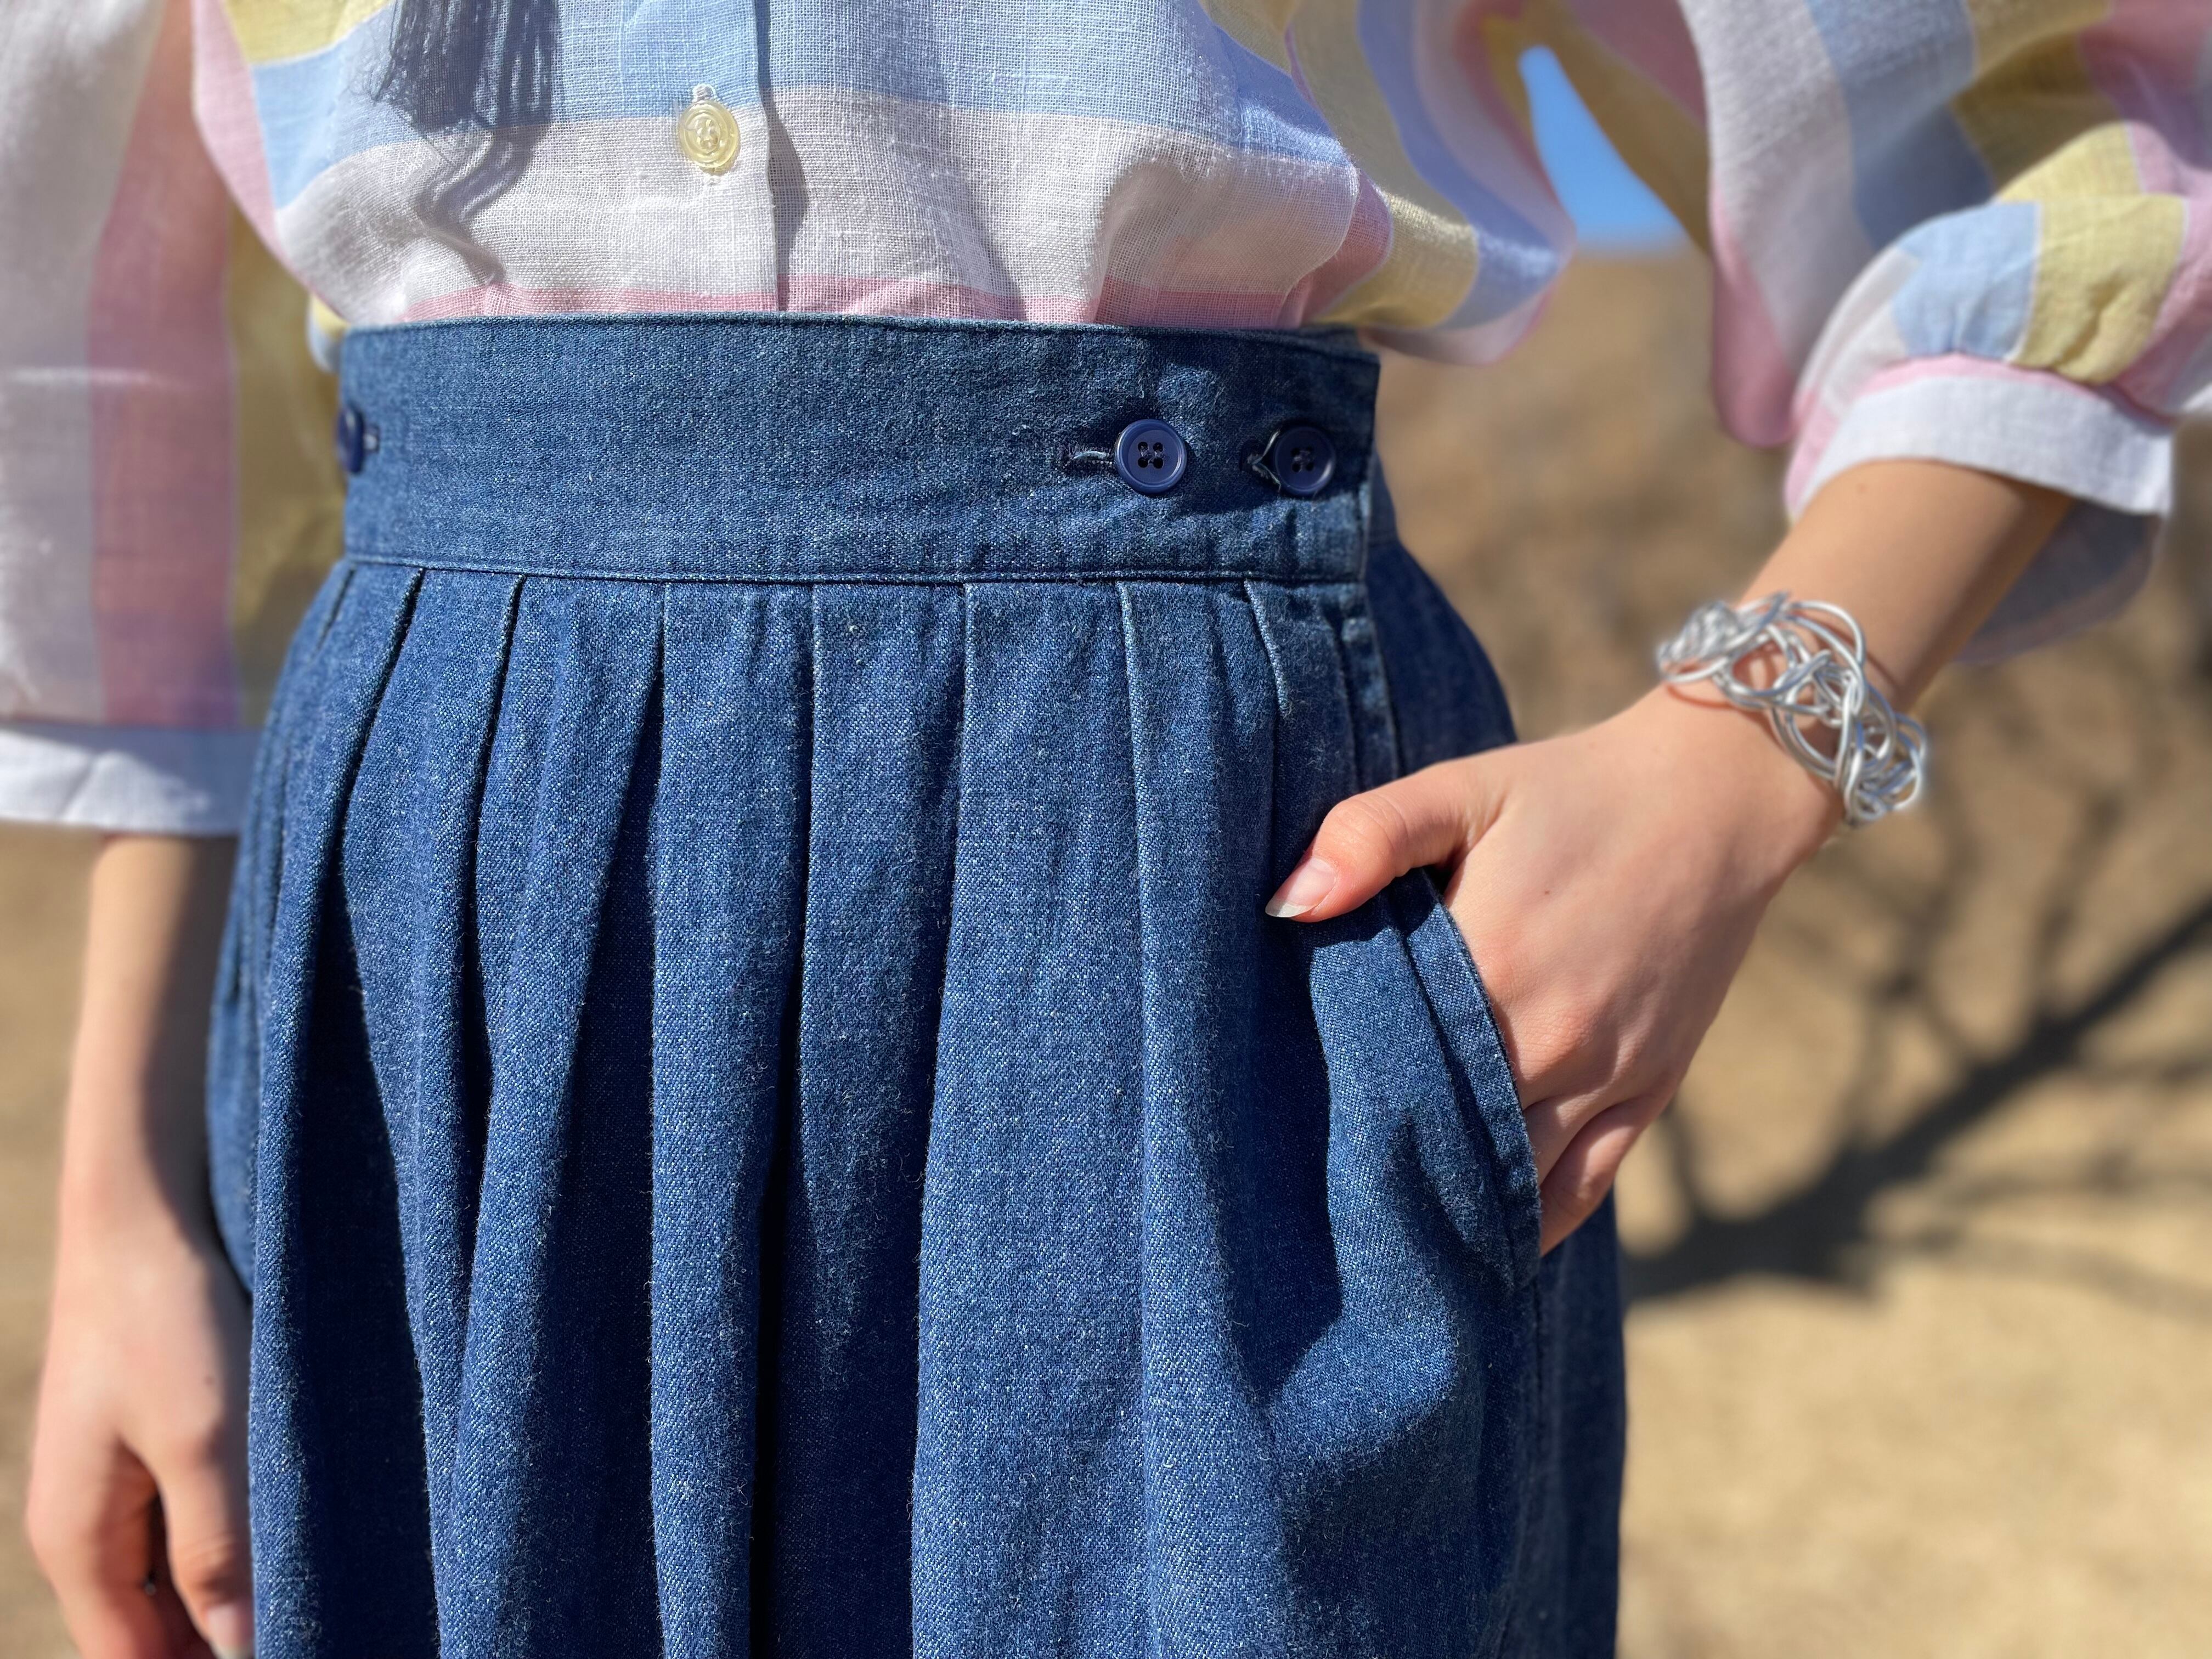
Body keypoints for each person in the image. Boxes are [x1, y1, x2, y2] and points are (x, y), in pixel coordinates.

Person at [6, 2, 2203, 1655]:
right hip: (455, 898)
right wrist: (122, 1194)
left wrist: (1750, 759)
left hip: (1193, 842)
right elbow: (161, 418)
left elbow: (2035, 125)